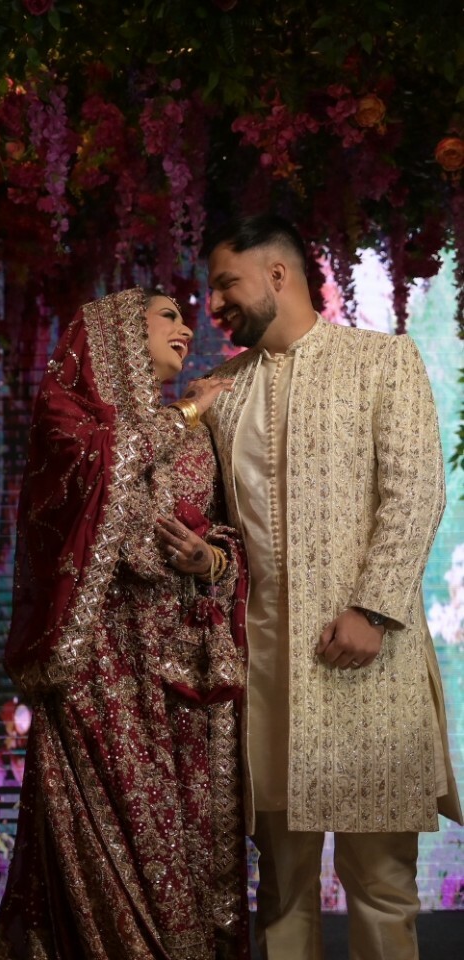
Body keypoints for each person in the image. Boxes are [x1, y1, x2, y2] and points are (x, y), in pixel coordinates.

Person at [200, 213, 463, 960]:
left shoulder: (381, 362)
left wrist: (372, 607)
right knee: (281, 891)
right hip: (266, 671)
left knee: (380, 884)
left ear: (277, 275)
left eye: (226, 283)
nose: (214, 305)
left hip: (366, 665)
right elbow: (223, 530)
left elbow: (415, 492)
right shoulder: (226, 395)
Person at [0, 287, 250, 960]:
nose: (185, 325)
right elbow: (98, 474)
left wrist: (210, 560)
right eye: (167, 314)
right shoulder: (70, 423)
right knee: (115, 839)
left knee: (190, 842)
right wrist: (190, 410)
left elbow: (234, 545)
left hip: (184, 678)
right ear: (115, 334)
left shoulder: (202, 438)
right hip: (99, 673)